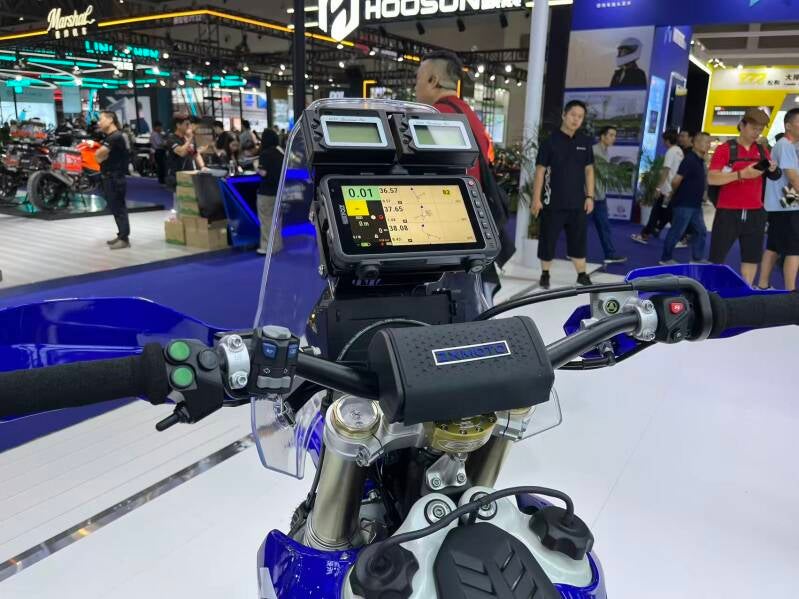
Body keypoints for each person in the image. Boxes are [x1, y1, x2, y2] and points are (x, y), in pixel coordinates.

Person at [414, 49, 515, 285]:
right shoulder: (467, 113)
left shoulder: (435, 117)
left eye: (418, 78)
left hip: (446, 230)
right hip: (471, 225)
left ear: (433, 80)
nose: (415, 85)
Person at [707, 108, 780, 285]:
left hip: (756, 212)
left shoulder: (762, 150)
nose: (757, 132)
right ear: (742, 125)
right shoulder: (725, 149)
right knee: (717, 257)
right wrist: (741, 174)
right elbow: (712, 178)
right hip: (728, 212)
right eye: (753, 128)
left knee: (752, 257)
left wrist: (772, 169)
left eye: (760, 129)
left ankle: (746, 290)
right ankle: (712, 291)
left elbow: (773, 176)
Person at [532, 100, 595, 289]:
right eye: (573, 115)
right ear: (564, 115)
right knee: (548, 240)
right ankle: (545, 274)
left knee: (578, 241)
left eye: (580, 117)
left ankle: (582, 275)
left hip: (578, 203)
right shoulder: (550, 142)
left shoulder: (585, 142)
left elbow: (589, 171)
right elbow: (540, 171)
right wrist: (536, 199)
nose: (576, 119)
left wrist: (590, 196)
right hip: (553, 202)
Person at [757, 108, 799, 291]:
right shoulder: (786, 146)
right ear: (788, 125)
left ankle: (763, 285)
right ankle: (790, 292)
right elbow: (793, 178)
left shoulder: (787, 145)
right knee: (794, 250)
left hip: (783, 204)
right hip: (788, 204)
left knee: (774, 246)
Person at [659, 132, 711, 265]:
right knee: (677, 231)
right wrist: (676, 193)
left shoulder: (700, 160)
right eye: (706, 142)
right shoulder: (689, 159)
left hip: (695, 205)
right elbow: (675, 181)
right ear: (696, 143)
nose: (709, 144)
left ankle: (697, 258)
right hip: (684, 204)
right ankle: (666, 258)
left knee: (701, 231)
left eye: (709, 142)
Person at [631, 130, 684, 244]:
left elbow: (666, 171)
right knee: (664, 213)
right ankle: (650, 232)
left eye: (663, 140)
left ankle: (646, 234)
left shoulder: (670, 152)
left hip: (666, 190)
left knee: (660, 213)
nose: (663, 142)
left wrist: (658, 188)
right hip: (673, 189)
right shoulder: (679, 151)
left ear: (667, 140)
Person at [94, 111, 131, 250]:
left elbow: (98, 155)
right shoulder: (111, 137)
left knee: (119, 208)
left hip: (115, 177)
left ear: (110, 120)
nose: (99, 122)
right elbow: (98, 157)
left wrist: (101, 157)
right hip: (110, 177)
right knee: (115, 207)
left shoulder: (115, 137)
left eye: (101, 119)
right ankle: (121, 235)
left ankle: (124, 238)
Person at [592, 125, 627, 265]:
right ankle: (573, 252)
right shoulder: (593, 151)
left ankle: (610, 255)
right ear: (602, 136)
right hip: (588, 196)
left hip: (600, 196)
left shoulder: (605, 151)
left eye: (615, 135)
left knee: (604, 226)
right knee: (577, 226)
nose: (614, 138)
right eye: (611, 135)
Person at [256, 128, 285, 255]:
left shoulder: (265, 154)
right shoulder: (281, 153)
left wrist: (256, 167)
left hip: (266, 192)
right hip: (278, 191)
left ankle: (267, 247)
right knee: (277, 220)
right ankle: (277, 245)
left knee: (266, 220)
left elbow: (263, 172)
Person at [166, 115, 205, 189]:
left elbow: (196, 154)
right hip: (176, 176)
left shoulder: (188, 139)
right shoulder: (171, 139)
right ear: (178, 125)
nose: (189, 126)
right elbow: (181, 152)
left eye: (190, 124)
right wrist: (189, 139)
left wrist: (203, 167)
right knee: (181, 195)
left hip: (190, 175)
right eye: (187, 124)